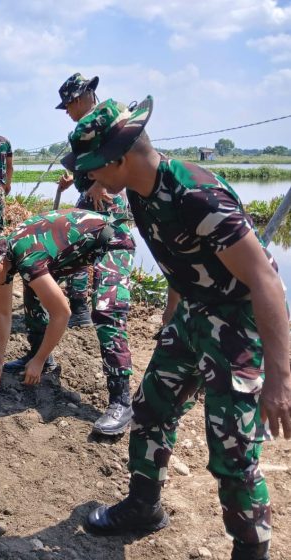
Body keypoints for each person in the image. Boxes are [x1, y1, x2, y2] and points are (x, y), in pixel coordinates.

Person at [63, 96, 290, 560]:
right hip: (195, 311)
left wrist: (280, 380)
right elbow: (180, 263)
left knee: (232, 449)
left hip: (237, 317)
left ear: (120, 160)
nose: (89, 179)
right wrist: (171, 318)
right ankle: (144, 506)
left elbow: (266, 281)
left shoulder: (196, 195)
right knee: (151, 407)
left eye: (93, 169)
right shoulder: (141, 192)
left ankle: (252, 552)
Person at [0, 209, 136, 434]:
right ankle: (37, 355)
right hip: (78, 249)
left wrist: (39, 361)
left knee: (106, 309)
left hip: (112, 240)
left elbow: (62, 313)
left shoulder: (26, 257)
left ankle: (121, 400)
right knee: (33, 293)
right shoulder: (6, 259)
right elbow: (3, 313)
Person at [54, 73, 131, 329]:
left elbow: (122, 149)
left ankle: (85, 311)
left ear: (79, 98)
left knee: (79, 250)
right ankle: (97, 312)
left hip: (103, 197)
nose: (67, 112)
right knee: (97, 251)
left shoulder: (106, 116)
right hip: (96, 195)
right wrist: (73, 180)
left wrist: (99, 183)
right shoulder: (94, 119)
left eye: (67, 106)